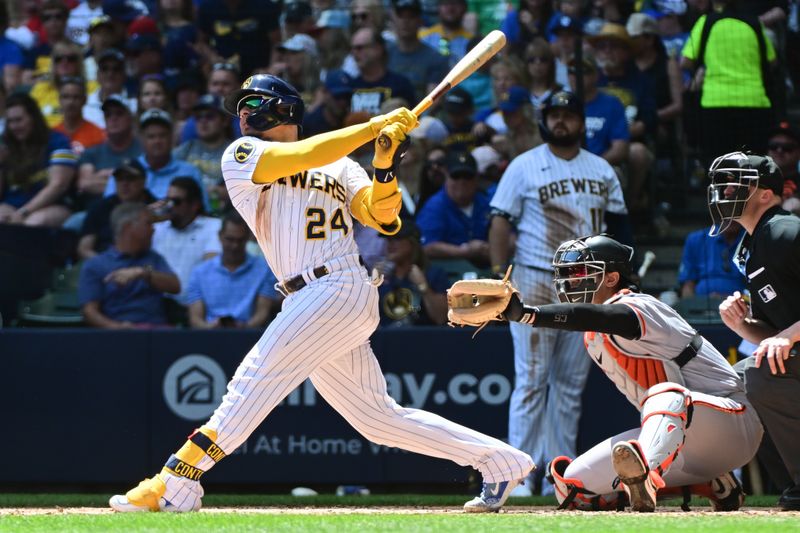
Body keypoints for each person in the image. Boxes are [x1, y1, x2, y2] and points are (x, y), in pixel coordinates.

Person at [108, 73, 534, 514]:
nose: (243, 114)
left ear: (284, 108)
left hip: (337, 285)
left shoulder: (342, 165)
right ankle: (501, 461)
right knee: (378, 419)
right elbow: (302, 154)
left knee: (252, 380)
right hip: (308, 295)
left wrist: (384, 165)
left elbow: (383, 218)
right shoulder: (242, 154)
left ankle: (178, 480)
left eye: (253, 103)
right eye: (242, 107)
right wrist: (371, 129)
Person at [447, 234, 763, 512]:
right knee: (572, 488)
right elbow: (592, 320)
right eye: (567, 274)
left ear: (611, 278)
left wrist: (528, 314)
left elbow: (602, 316)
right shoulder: (594, 335)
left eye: (581, 272)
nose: (570, 281)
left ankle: (647, 478)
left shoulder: (641, 305)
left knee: (665, 393)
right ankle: (711, 485)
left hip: (732, 423)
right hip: (684, 446)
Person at [488, 91, 629, 496]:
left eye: (569, 114)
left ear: (582, 122)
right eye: (555, 114)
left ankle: (558, 477)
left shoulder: (601, 168)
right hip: (534, 276)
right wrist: (501, 276)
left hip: (586, 283)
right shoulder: (525, 165)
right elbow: (500, 222)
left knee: (569, 381)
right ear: (543, 120)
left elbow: (619, 227)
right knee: (532, 377)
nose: (562, 121)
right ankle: (517, 475)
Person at [711, 152, 800, 511]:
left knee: (761, 374)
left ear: (765, 194)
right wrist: (741, 325)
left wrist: (789, 336)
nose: (725, 191)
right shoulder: (752, 244)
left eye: (736, 184)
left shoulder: (785, 230)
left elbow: (784, 338)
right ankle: (792, 485)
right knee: (734, 382)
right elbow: (773, 334)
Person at [680, 0, 776, 164]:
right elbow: (771, 62)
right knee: (753, 166)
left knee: (719, 165)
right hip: (754, 102)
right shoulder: (754, 23)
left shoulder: (706, 22)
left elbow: (685, 62)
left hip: (715, 104)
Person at [79, 202, 179, 328]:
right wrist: (118, 327)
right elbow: (89, 311)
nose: (153, 229)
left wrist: (143, 273)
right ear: (128, 227)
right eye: (148, 223)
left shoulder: (153, 258)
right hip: (117, 335)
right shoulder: (96, 265)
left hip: (156, 332)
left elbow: (175, 286)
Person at [186, 211, 279, 329]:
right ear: (220, 236)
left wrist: (244, 327)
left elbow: (262, 313)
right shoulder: (199, 273)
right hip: (209, 337)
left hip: (249, 336)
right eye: (230, 239)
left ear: (247, 238)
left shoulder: (264, 269)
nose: (235, 246)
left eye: (240, 240)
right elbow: (195, 319)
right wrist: (211, 327)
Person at [0, 93, 78, 227]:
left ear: (34, 118)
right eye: (10, 121)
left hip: (52, 205)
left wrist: (24, 212)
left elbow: (59, 185)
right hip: (11, 205)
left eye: (19, 120)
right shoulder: (5, 145)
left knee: (32, 224)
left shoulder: (58, 141)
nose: (14, 126)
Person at [104, 108, 206, 206]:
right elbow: (110, 206)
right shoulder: (124, 171)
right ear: (141, 139)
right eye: (151, 136)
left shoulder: (190, 172)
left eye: (162, 135)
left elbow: (204, 211)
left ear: (172, 137)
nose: (157, 141)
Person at [152, 177, 222, 305]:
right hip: (158, 307)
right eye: (167, 200)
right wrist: (146, 217)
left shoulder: (214, 227)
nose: (170, 206)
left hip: (196, 306)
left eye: (176, 202)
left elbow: (212, 268)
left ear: (195, 205)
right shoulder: (156, 228)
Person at [416, 151, 492, 266]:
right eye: (456, 176)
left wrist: (491, 247)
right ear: (446, 176)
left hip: (488, 268)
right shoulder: (434, 206)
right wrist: (465, 250)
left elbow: (510, 236)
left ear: (476, 178)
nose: (462, 182)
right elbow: (427, 246)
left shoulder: (486, 202)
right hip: (449, 273)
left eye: (467, 176)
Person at [78, 159, 157, 260]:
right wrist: (105, 265)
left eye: (130, 178)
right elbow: (84, 248)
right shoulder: (100, 207)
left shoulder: (155, 207)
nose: (124, 184)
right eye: (119, 179)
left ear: (143, 181)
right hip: (105, 264)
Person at [376, 219, 449, 326]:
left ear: (412, 242)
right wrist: (371, 286)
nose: (390, 244)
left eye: (397, 238)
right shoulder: (383, 277)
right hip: (387, 340)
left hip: (422, 339)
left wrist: (423, 287)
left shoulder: (434, 275)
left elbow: (441, 318)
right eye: (388, 239)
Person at [77, 94, 143, 206]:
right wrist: (127, 182)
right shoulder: (91, 152)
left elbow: (147, 184)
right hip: (97, 210)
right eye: (108, 115)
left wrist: (105, 175)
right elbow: (85, 184)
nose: (113, 118)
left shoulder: (143, 150)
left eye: (119, 113)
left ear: (130, 118)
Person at [172, 94, 233, 209]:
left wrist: (227, 193)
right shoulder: (187, 148)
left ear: (224, 121)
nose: (203, 121)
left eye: (209, 116)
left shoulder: (235, 151)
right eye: (199, 117)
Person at [568, 53, 629, 168]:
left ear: (596, 75)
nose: (576, 76)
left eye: (583, 71)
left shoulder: (612, 104)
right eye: (571, 71)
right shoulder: (561, 103)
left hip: (602, 166)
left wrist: (592, 165)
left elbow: (620, 149)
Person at [387, 0, 449, 101]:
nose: (405, 21)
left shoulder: (435, 58)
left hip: (419, 114)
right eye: (401, 16)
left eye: (411, 16)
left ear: (420, 21)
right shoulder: (384, 55)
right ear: (393, 20)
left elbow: (434, 99)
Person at [347, 27, 416, 116]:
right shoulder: (348, 87)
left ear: (378, 49)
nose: (354, 53)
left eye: (359, 48)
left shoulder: (400, 84)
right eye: (352, 48)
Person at [678, 222, 745, 299]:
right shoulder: (696, 239)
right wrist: (693, 306)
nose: (731, 218)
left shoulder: (752, 239)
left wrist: (726, 299)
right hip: (701, 305)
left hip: (741, 305)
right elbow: (688, 285)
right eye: (726, 211)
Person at [53, 76, 106, 156]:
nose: (71, 102)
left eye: (76, 97)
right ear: (59, 100)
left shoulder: (97, 134)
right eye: (66, 97)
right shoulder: (53, 134)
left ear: (85, 100)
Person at [419, 0, 474, 67]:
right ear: (438, 7)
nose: (450, 8)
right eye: (445, 3)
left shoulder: (472, 42)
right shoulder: (423, 37)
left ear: (464, 7)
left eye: (455, 3)